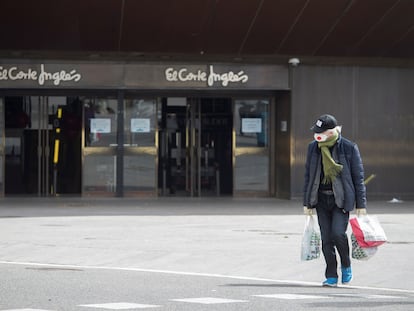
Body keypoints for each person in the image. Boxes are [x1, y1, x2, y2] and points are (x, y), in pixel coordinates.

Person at [303, 114, 367, 287]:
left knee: (338, 234)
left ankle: (346, 265)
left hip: (341, 199)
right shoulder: (313, 148)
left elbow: (358, 177)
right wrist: (307, 203)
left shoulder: (349, 147)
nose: (317, 135)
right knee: (326, 238)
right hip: (321, 199)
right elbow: (309, 176)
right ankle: (331, 274)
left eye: (320, 132)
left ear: (330, 132)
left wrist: (361, 205)